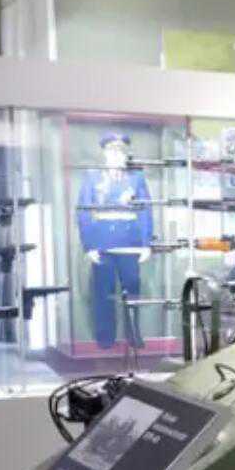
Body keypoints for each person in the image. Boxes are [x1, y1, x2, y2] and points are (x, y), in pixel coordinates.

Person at [76, 133, 153, 348]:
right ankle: (105, 337)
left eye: (121, 151)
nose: (117, 155)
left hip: (130, 242)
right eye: (112, 151)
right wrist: (89, 245)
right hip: (103, 242)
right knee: (103, 292)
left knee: (132, 290)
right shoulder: (93, 177)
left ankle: (133, 333)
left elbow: (145, 210)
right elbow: (84, 211)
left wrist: (146, 243)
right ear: (105, 153)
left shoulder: (136, 177)